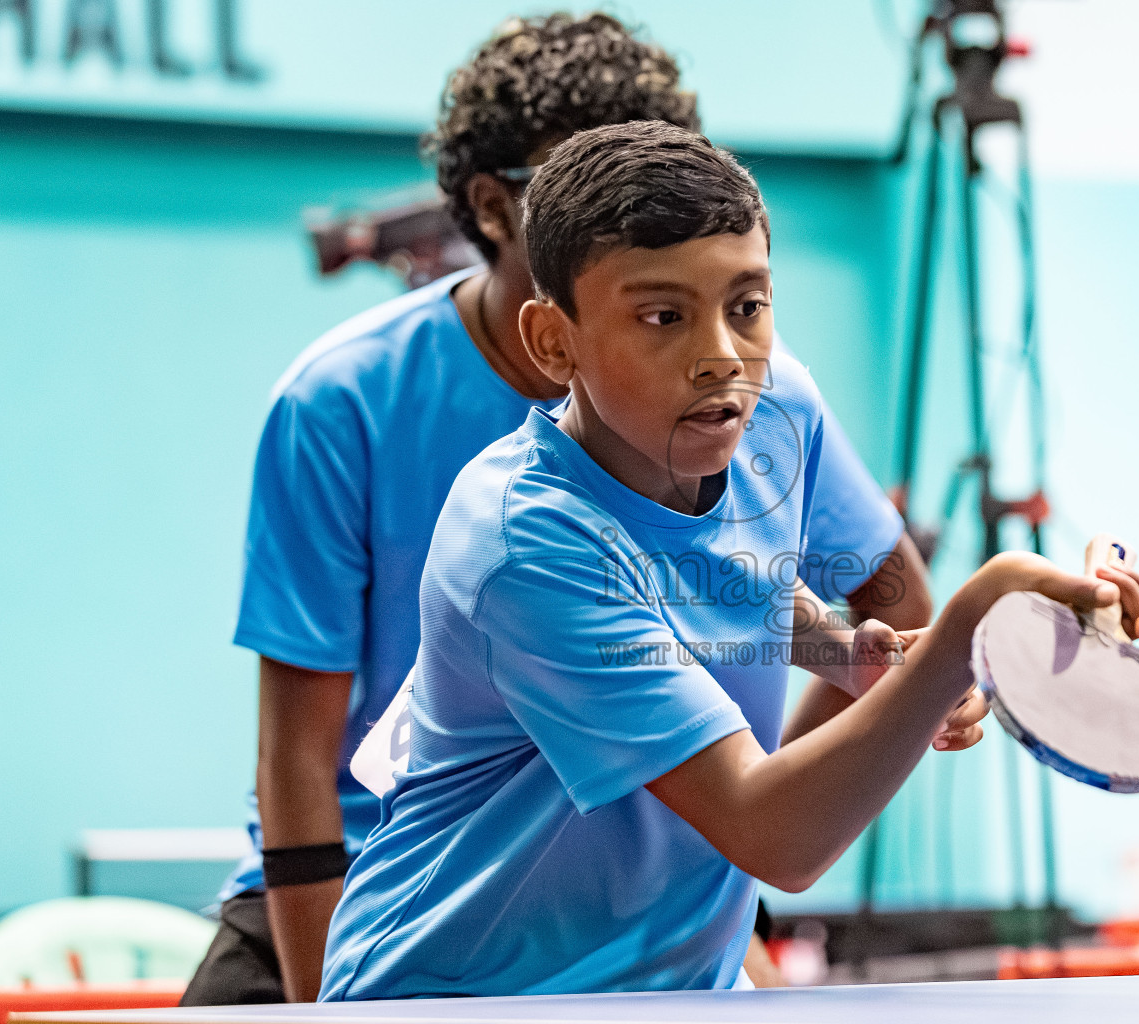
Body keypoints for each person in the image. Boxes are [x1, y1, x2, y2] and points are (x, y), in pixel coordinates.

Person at [182, 13, 931, 1007]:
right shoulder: (350, 405)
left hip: (643, 886)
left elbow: (770, 581)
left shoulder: (751, 393)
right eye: (589, 181)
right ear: (494, 209)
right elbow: (296, 753)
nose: (632, 202)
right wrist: (323, 998)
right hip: (380, 889)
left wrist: (731, 831)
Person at [319, 121, 1139, 1000]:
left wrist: (844, 655)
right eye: (661, 316)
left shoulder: (773, 411)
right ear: (554, 342)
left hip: (671, 994)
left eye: (748, 305)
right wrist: (968, 618)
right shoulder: (520, 545)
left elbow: (722, 571)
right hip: (460, 1005)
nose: (722, 354)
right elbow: (776, 839)